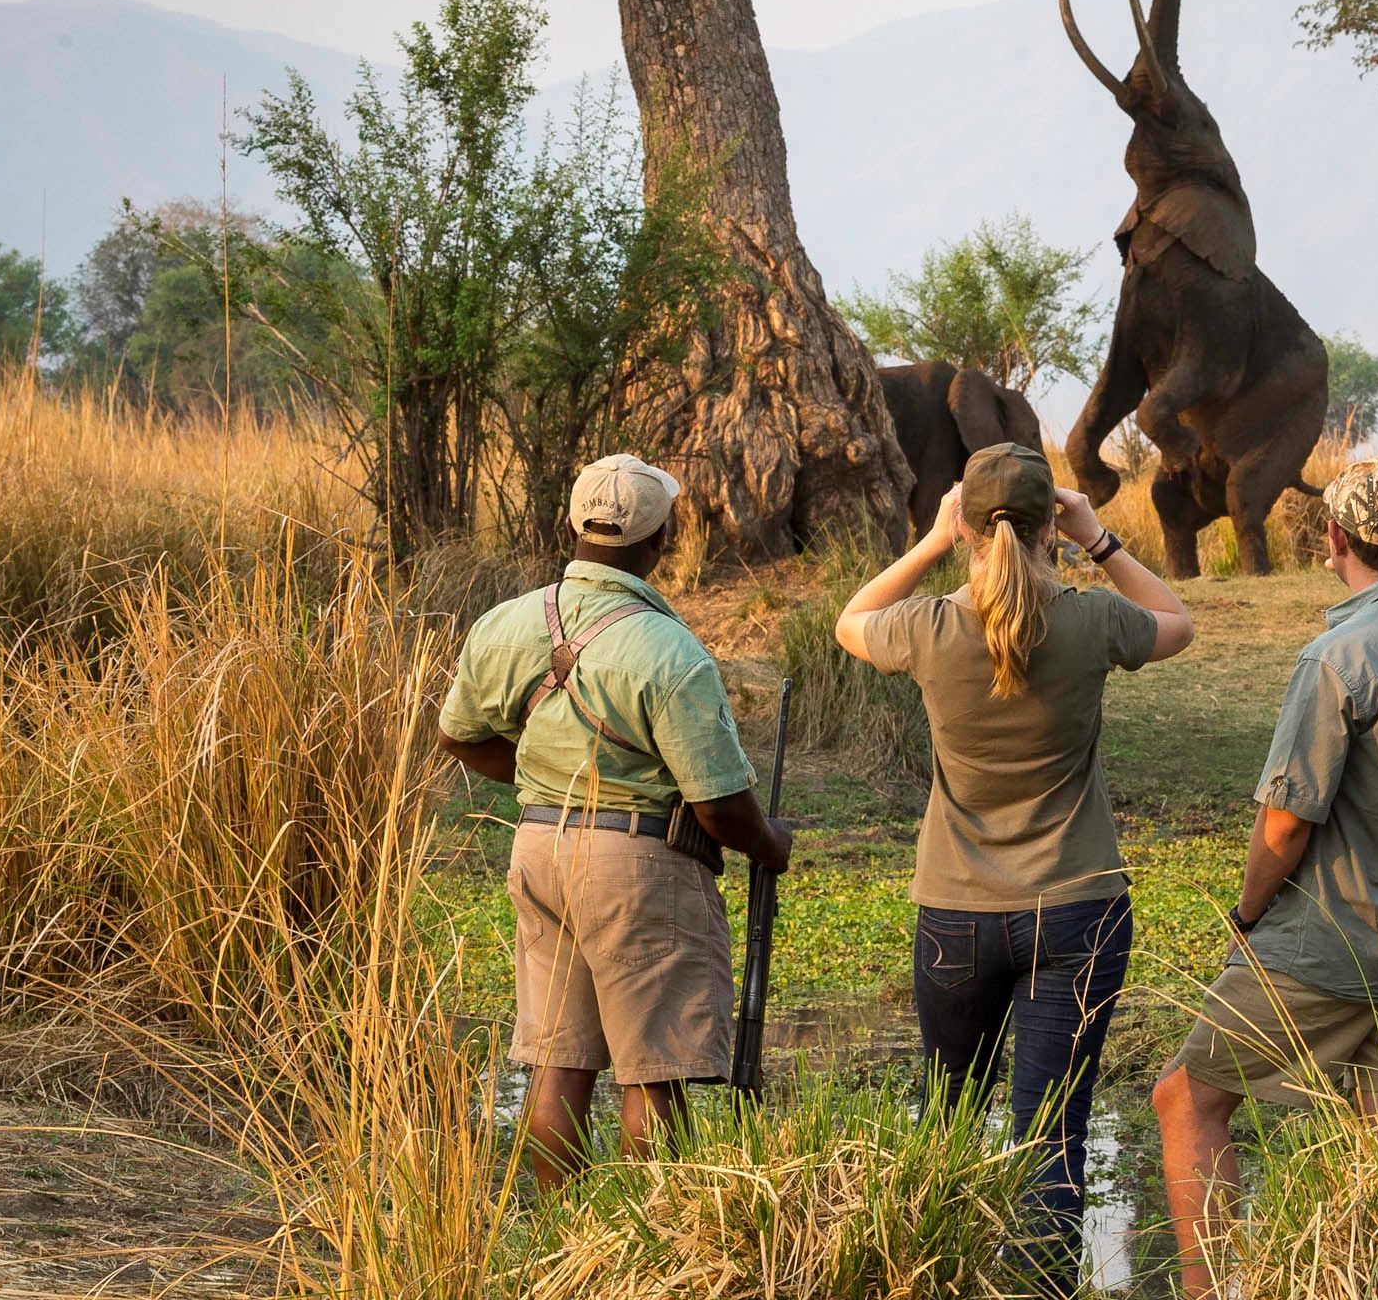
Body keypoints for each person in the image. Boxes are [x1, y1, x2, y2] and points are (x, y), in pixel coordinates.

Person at [833, 443, 1193, 1295]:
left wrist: (929, 543)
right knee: (1052, 1131)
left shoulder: (926, 628)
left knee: (950, 1117)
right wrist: (1100, 539)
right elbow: (1178, 623)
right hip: (1079, 910)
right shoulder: (1093, 621)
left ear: (966, 525)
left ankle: (936, 1274)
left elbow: (850, 621)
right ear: (1048, 528)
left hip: (955, 915)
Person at [1151, 460, 1378, 1300]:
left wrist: (1248, 910)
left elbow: (1285, 823)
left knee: (1184, 1102)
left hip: (1330, 940)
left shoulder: (1337, 657)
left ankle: (1208, 1293)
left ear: (1333, 539)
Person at [435, 454, 792, 1189]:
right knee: (652, 1069)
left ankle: (567, 1237)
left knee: (560, 1062)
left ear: (570, 524)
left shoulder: (504, 624)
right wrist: (770, 844)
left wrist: (551, 784)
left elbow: (458, 735)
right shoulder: (670, 650)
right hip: (639, 866)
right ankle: (648, 1242)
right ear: (662, 539)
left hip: (538, 848)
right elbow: (719, 805)